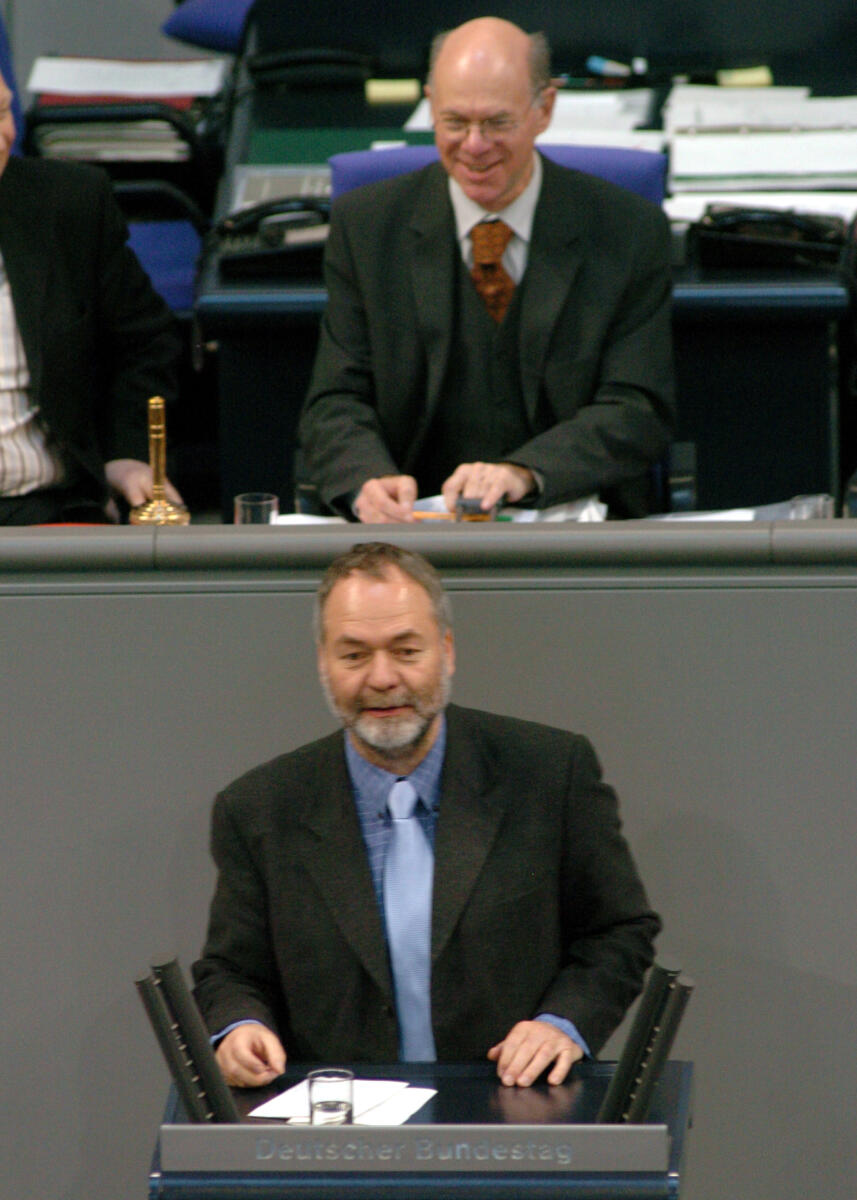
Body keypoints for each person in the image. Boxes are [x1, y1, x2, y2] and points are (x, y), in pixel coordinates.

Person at [193, 541, 660, 1088]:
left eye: (406, 651)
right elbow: (230, 971)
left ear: (447, 650)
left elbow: (618, 932)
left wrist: (562, 1025)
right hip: (339, 1138)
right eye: (354, 655)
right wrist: (239, 1027)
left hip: (512, 1118)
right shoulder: (260, 808)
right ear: (323, 662)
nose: (383, 677)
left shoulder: (549, 773)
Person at [298, 17, 674, 523]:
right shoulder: (366, 226)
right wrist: (367, 480)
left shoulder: (628, 229)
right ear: (430, 105)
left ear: (545, 109)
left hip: (572, 525)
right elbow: (336, 402)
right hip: (411, 532)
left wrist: (524, 472)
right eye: (454, 122)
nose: (474, 146)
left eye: (497, 123)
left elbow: (637, 409)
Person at [0, 72, 182, 524]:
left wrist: (126, 454)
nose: (2, 135)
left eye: (2, 111)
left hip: (53, 509)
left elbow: (146, 344)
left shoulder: (69, 204)